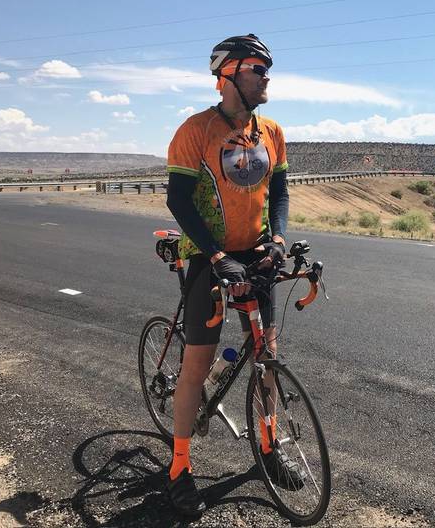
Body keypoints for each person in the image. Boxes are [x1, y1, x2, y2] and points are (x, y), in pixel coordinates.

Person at [164, 34, 300, 515]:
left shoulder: (272, 131)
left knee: (267, 359)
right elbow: (178, 201)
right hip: (209, 257)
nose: (266, 78)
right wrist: (217, 255)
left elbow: (279, 194)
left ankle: (269, 446)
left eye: (266, 70)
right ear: (228, 75)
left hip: (256, 254)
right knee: (197, 364)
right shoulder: (196, 130)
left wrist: (279, 239)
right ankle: (179, 467)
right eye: (258, 69)